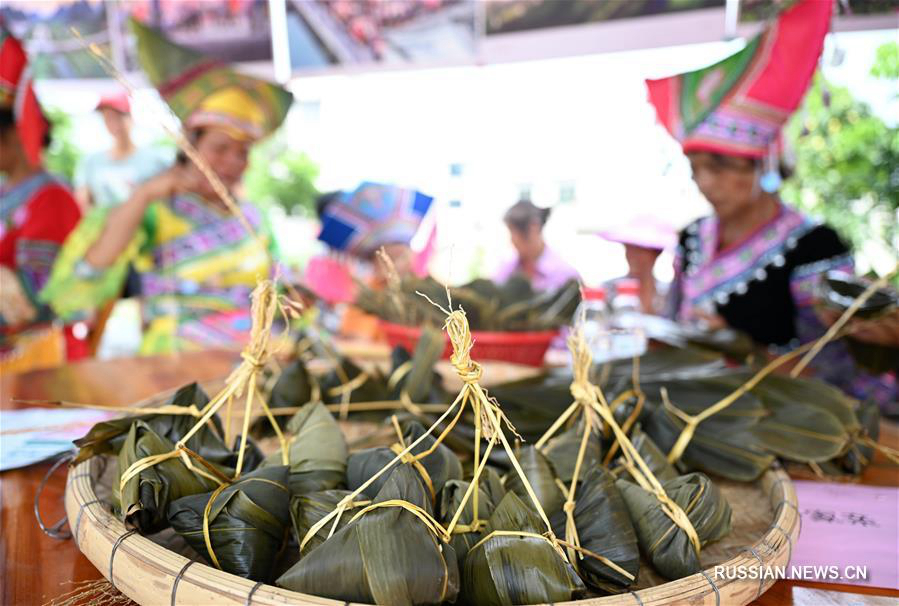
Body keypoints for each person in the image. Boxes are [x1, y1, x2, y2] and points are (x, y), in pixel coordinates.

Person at [649, 0, 896, 405]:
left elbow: (832, 366)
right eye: (695, 168)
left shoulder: (815, 246)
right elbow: (671, 324)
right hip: (695, 407)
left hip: (781, 420)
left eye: (720, 166)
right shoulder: (693, 236)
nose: (706, 183)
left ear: (762, 161)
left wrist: (738, 349)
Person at [40, 19, 292, 354]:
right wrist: (145, 195)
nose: (233, 162)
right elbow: (91, 269)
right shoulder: (157, 209)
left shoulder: (252, 217)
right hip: (176, 367)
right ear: (190, 146)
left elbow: (283, 290)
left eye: (242, 152)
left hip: (255, 359)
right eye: (220, 148)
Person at [0, 27, 83, 360]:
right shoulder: (9, 193)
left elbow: (35, 296)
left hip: (35, 355)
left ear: (17, 136)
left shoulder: (52, 199)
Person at [74, 93, 170, 210]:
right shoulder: (91, 162)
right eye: (108, 118)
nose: (114, 124)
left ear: (131, 117)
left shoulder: (157, 160)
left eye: (118, 117)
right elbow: (82, 203)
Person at [597, 215, 676, 314]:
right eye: (629, 249)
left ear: (656, 254)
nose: (633, 256)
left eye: (640, 251)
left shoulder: (668, 293)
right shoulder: (608, 289)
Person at [495, 199, 578, 291]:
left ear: (533, 227)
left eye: (513, 233)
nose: (512, 240)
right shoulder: (506, 270)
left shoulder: (564, 275)